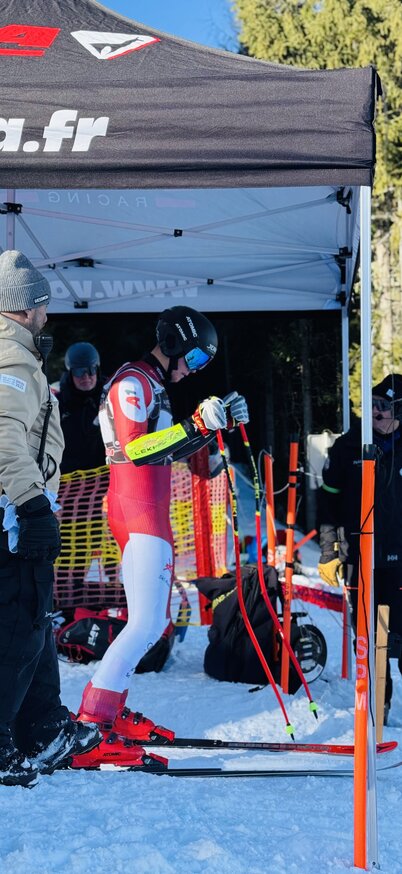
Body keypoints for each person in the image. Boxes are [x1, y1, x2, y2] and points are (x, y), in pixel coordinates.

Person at [76, 305, 249, 767]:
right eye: (192, 361)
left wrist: (215, 427)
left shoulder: (154, 387)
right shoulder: (133, 381)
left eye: (201, 367)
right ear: (173, 344)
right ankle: (91, 725)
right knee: (148, 623)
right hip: (137, 511)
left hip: (150, 512)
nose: (191, 371)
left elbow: (172, 449)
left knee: (152, 619)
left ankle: (107, 711)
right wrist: (196, 424)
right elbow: (137, 449)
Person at [0, 250, 103, 787]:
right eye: (42, 304)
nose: (47, 314)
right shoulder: (12, 359)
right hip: (14, 514)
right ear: (25, 307)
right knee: (19, 628)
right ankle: (6, 740)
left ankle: (41, 729)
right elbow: (2, 436)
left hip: (20, 511)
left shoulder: (20, 355)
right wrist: (32, 504)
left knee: (35, 621)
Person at [317, 374, 402, 721]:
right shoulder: (348, 446)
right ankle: (377, 711)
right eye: (373, 405)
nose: (376, 413)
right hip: (360, 558)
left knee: (398, 635)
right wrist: (328, 550)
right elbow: (328, 504)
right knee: (369, 637)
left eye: (385, 407)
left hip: (399, 560)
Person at [57, 342, 106, 474]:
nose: (85, 377)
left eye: (91, 370)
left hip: (105, 474)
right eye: (79, 371)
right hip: (70, 479)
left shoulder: (110, 395)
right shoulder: (59, 403)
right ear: (70, 373)